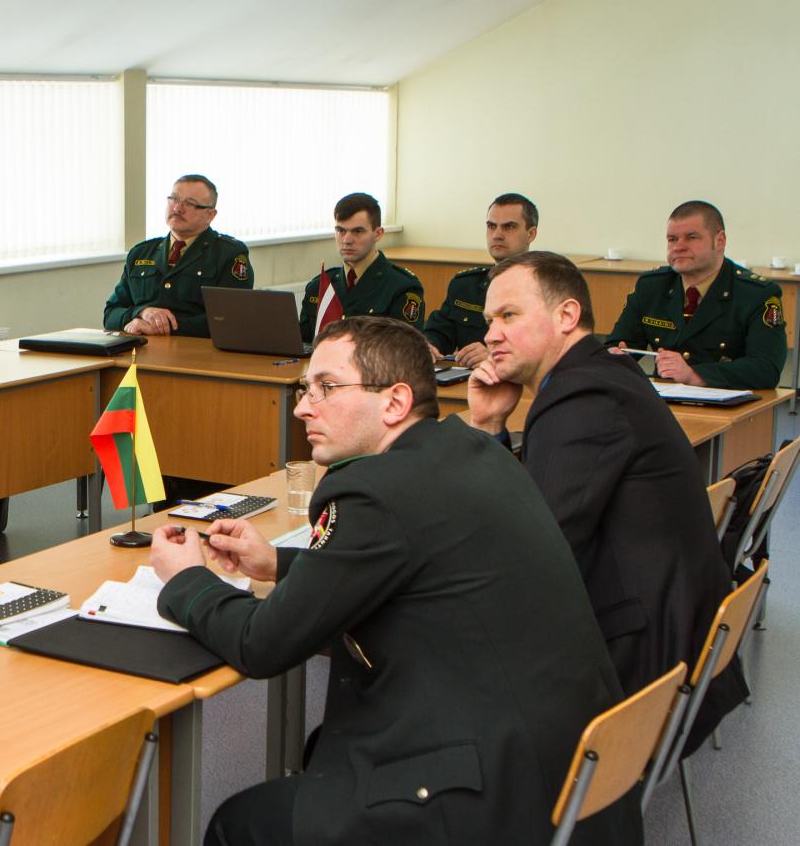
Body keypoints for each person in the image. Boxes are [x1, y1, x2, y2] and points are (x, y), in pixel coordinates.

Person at [149, 316, 637, 845]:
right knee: (319, 752)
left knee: (238, 824)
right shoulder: (466, 449)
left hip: (489, 798)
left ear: (395, 402)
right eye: (304, 388)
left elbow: (262, 644)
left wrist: (188, 580)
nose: (302, 407)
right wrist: (278, 565)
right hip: (566, 765)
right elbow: (409, 564)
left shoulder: (372, 492)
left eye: (327, 388)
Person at [468, 250, 747, 748]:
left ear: (567, 315)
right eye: (489, 320)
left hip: (639, 669)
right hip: (676, 644)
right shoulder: (604, 372)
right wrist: (492, 426)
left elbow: (532, 549)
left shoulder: (580, 398)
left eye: (509, 315)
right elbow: (536, 513)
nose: (491, 335)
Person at [608, 200, 785, 389]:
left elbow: (766, 368)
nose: (678, 246)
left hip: (727, 406)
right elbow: (620, 344)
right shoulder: (651, 287)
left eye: (691, 237)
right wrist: (614, 356)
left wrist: (694, 375)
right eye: (672, 239)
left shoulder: (757, 294)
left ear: (720, 241)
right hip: (663, 404)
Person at [102, 175, 253, 337]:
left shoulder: (229, 254)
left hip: (197, 356)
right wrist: (141, 312)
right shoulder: (141, 253)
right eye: (174, 199)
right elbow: (110, 314)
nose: (178, 208)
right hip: (139, 353)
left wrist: (163, 327)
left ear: (210, 215)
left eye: (190, 203)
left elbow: (228, 320)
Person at [422, 192, 539, 367]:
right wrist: (428, 345)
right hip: (469, 382)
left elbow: (548, 348)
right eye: (491, 226)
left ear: (531, 234)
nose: (497, 235)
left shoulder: (544, 287)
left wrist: (496, 355)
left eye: (509, 227)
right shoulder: (465, 286)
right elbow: (441, 331)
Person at [300, 193, 424, 342]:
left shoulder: (402, 286)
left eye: (357, 231)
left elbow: (404, 349)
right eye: (341, 231)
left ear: (378, 234)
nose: (346, 240)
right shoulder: (319, 286)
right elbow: (303, 345)